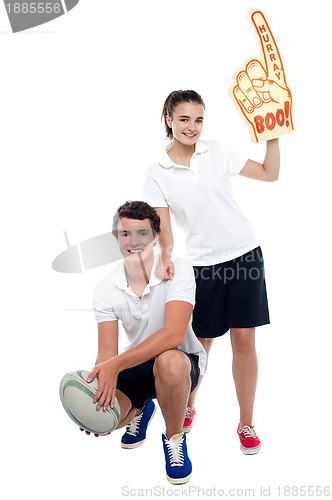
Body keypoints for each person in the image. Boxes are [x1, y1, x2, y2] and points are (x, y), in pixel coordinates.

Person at [142, 89, 280, 455]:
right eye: (184, 119)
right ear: (169, 119)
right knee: (200, 344)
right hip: (203, 266)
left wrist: (273, 134)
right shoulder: (157, 173)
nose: (192, 127)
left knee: (245, 342)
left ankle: (246, 423)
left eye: (199, 119)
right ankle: (186, 404)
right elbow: (165, 231)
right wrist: (165, 257)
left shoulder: (217, 151)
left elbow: (271, 174)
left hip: (245, 255)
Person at [85, 200, 206, 485]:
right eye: (125, 233)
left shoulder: (179, 270)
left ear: (155, 237)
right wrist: (91, 404)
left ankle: (174, 438)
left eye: (142, 233)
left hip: (181, 359)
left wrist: (115, 365)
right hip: (136, 363)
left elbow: (174, 335)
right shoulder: (105, 287)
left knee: (169, 361)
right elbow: (106, 354)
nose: (133, 241)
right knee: (107, 421)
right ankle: (143, 407)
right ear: (117, 238)